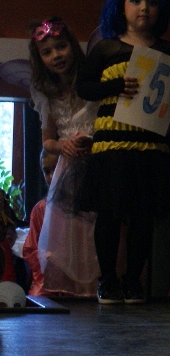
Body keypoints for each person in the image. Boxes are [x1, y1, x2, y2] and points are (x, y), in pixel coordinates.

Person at [77, 0, 170, 304]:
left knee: (143, 216)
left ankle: (133, 281)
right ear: (121, 5)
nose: (144, 8)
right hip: (111, 143)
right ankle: (108, 281)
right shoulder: (106, 47)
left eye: (152, 2)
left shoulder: (169, 50)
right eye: (136, 1)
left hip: (151, 144)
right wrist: (113, 86)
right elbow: (84, 88)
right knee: (109, 214)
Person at [26, 17, 100, 297]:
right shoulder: (46, 93)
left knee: (98, 228)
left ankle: (99, 290)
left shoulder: (92, 80)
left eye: (61, 47)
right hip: (68, 169)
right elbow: (48, 141)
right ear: (40, 59)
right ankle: (75, 295)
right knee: (69, 233)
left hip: (97, 160)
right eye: (47, 52)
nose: (56, 55)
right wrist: (62, 145)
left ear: (72, 46)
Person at [21, 150, 59, 296]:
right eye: (46, 171)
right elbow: (30, 250)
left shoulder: (85, 209)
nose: (51, 176)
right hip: (47, 280)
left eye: (56, 168)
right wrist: (46, 258)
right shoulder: (40, 209)